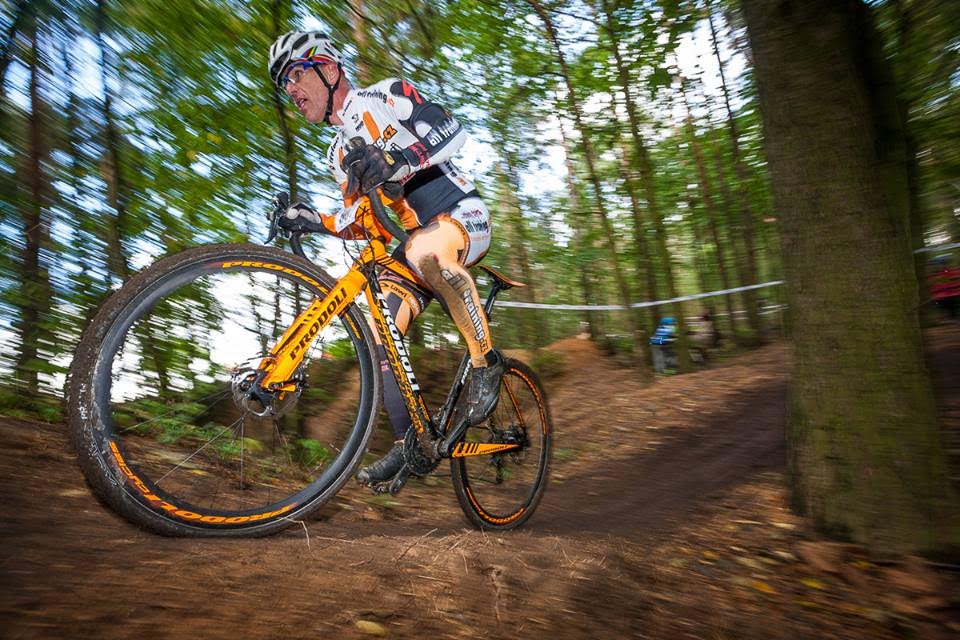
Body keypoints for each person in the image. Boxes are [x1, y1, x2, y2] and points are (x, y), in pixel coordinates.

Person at [266, 31, 504, 489]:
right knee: (379, 330)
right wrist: (314, 220)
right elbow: (363, 221)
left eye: (295, 74)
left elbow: (452, 130)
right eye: (284, 84)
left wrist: (398, 161)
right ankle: (410, 443)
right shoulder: (337, 153)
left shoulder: (386, 94)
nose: (290, 89)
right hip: (411, 241)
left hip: (460, 214)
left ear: (329, 69)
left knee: (425, 251)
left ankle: (485, 362)